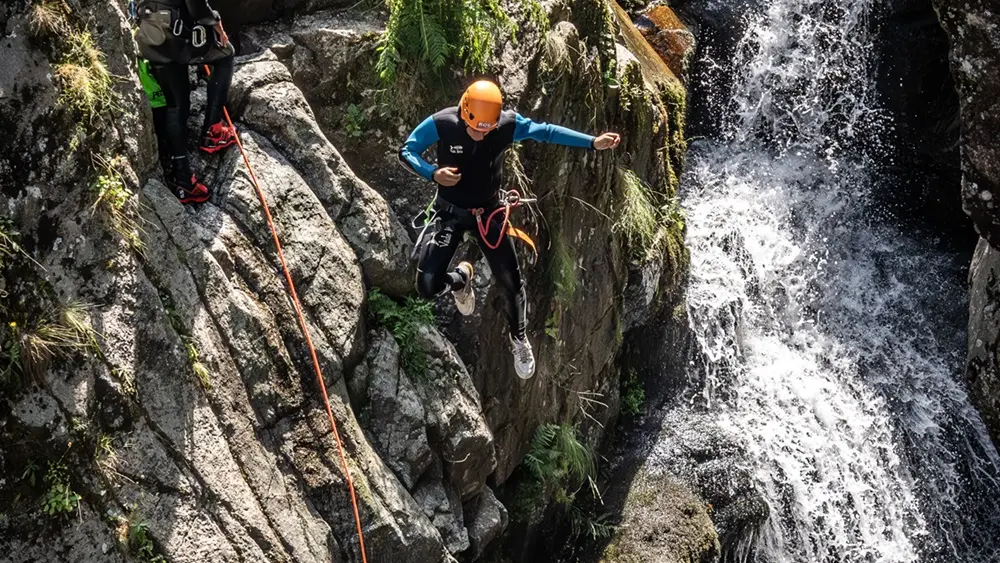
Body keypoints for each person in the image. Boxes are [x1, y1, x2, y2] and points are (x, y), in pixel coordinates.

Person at [398, 80, 622, 379]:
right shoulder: (443, 123)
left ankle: (518, 338)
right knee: (427, 286)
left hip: (489, 214)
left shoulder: (506, 125)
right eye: (476, 128)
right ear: (464, 112)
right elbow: (408, 150)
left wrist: (592, 142)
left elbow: (546, 132)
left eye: (487, 129)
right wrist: (432, 173)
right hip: (451, 213)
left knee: (513, 285)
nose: (481, 133)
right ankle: (462, 279)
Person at [133, 0, 237, 204]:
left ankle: (184, 181)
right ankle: (213, 131)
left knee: (176, 104)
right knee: (226, 55)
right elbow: (197, 9)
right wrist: (216, 22)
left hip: (151, 36)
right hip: (175, 37)